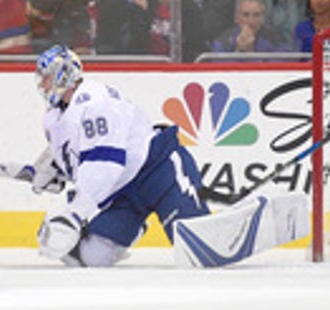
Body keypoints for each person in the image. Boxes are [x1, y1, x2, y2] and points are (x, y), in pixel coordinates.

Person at [33, 45, 209, 266]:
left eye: (46, 77)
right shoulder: (56, 116)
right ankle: (135, 227)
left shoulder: (94, 102)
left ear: (63, 75)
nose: (42, 84)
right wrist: (52, 169)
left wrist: (74, 214)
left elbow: (105, 163)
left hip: (158, 172)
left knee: (198, 248)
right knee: (87, 257)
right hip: (125, 194)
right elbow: (78, 155)